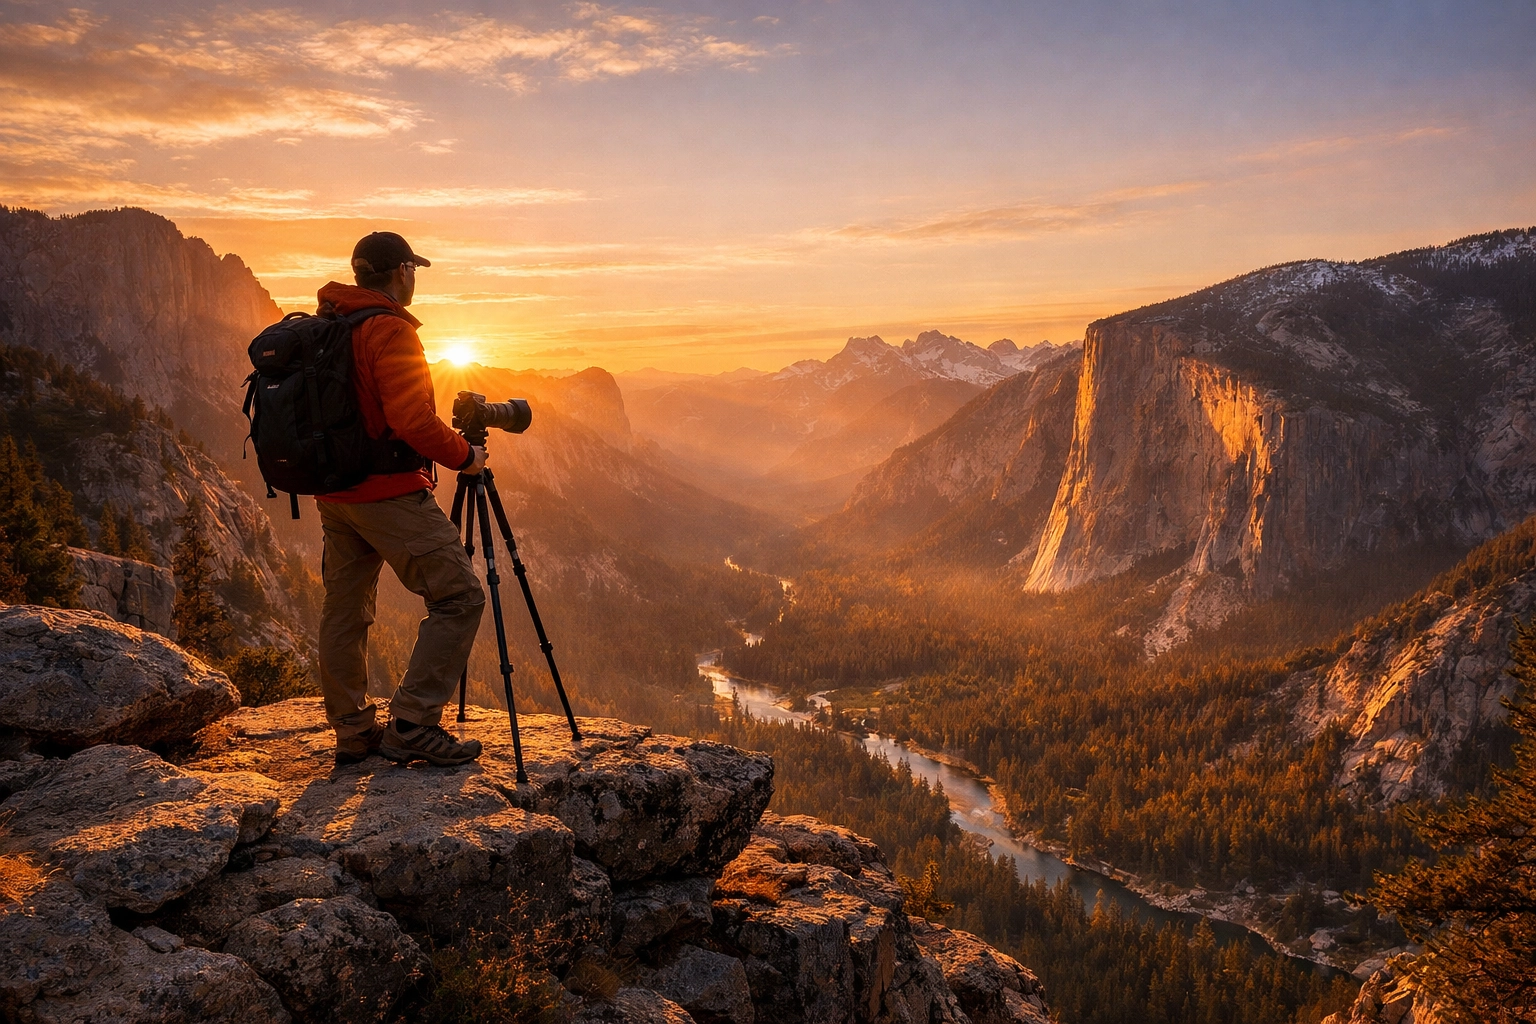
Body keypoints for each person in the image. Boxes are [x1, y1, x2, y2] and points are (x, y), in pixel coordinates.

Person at [314, 231, 489, 767]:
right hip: (386, 492)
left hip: (334, 491)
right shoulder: (389, 329)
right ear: (401, 272)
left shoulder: (329, 324)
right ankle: (412, 724)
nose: (414, 278)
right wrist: (466, 457)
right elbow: (412, 421)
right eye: (413, 269)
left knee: (345, 609)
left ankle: (351, 730)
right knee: (459, 597)